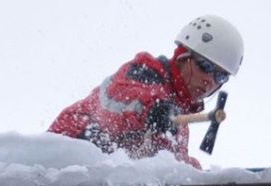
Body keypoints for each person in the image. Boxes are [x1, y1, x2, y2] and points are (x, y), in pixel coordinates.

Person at [48, 15, 244, 169]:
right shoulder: (143, 73)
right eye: (205, 66)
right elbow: (121, 97)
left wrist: (191, 171)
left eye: (220, 76)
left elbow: (165, 165)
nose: (209, 80)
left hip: (92, 185)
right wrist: (153, 109)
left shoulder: (178, 123)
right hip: (58, 162)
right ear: (184, 56)